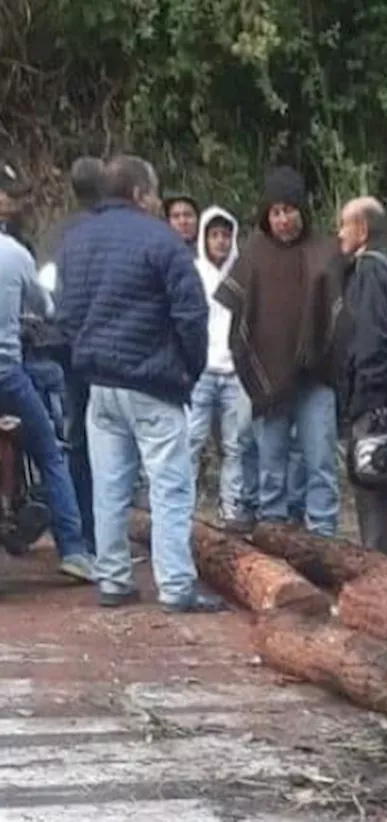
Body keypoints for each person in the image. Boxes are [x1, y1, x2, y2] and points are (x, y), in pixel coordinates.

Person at [57, 155, 225, 612]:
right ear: (138, 193)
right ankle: (176, 587)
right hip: (153, 381)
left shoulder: (75, 240)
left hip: (99, 385)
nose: (157, 201)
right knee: (169, 488)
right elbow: (192, 314)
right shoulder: (162, 241)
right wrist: (188, 370)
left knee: (109, 484)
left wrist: (84, 357)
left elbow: (66, 314)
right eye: (154, 193)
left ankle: (112, 579)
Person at [216, 166, 344, 537]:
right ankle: (273, 531)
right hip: (268, 379)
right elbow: (239, 321)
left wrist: (318, 354)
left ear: (302, 210)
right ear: (265, 216)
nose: (283, 220)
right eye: (275, 212)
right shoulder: (253, 255)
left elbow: (337, 316)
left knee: (319, 459)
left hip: (315, 377)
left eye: (290, 210)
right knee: (270, 462)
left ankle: (322, 534)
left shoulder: (325, 251)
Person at [0, 227, 94, 581]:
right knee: (51, 453)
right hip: (6, 373)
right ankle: (72, 549)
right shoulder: (14, 253)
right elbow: (46, 307)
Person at [335, 197, 387, 557]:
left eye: (344, 225)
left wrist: (364, 398)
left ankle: (381, 574)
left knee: (373, 482)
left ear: (363, 229)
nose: (338, 234)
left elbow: (371, 340)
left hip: (376, 397)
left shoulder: (369, 271)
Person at [187, 205, 253, 530]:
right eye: (214, 235)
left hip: (234, 373)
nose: (221, 241)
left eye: (226, 235)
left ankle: (231, 509)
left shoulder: (243, 273)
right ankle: (183, 509)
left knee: (235, 445)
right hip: (201, 371)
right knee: (191, 442)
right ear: (204, 238)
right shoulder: (192, 271)